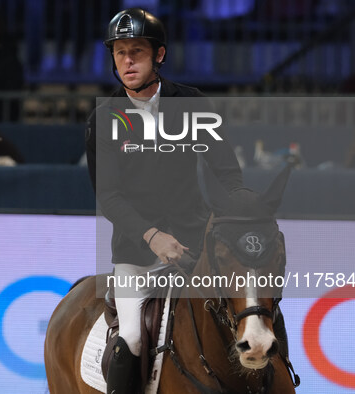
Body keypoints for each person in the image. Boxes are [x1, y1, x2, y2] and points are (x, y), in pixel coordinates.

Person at [86, 8, 246, 393]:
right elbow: (108, 197)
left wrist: (240, 213)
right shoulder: (104, 118)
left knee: (251, 307)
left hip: (196, 243)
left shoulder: (191, 103)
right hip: (137, 254)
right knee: (132, 338)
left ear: (158, 55)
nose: (127, 60)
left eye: (137, 51)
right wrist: (152, 236)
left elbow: (227, 172)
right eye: (119, 52)